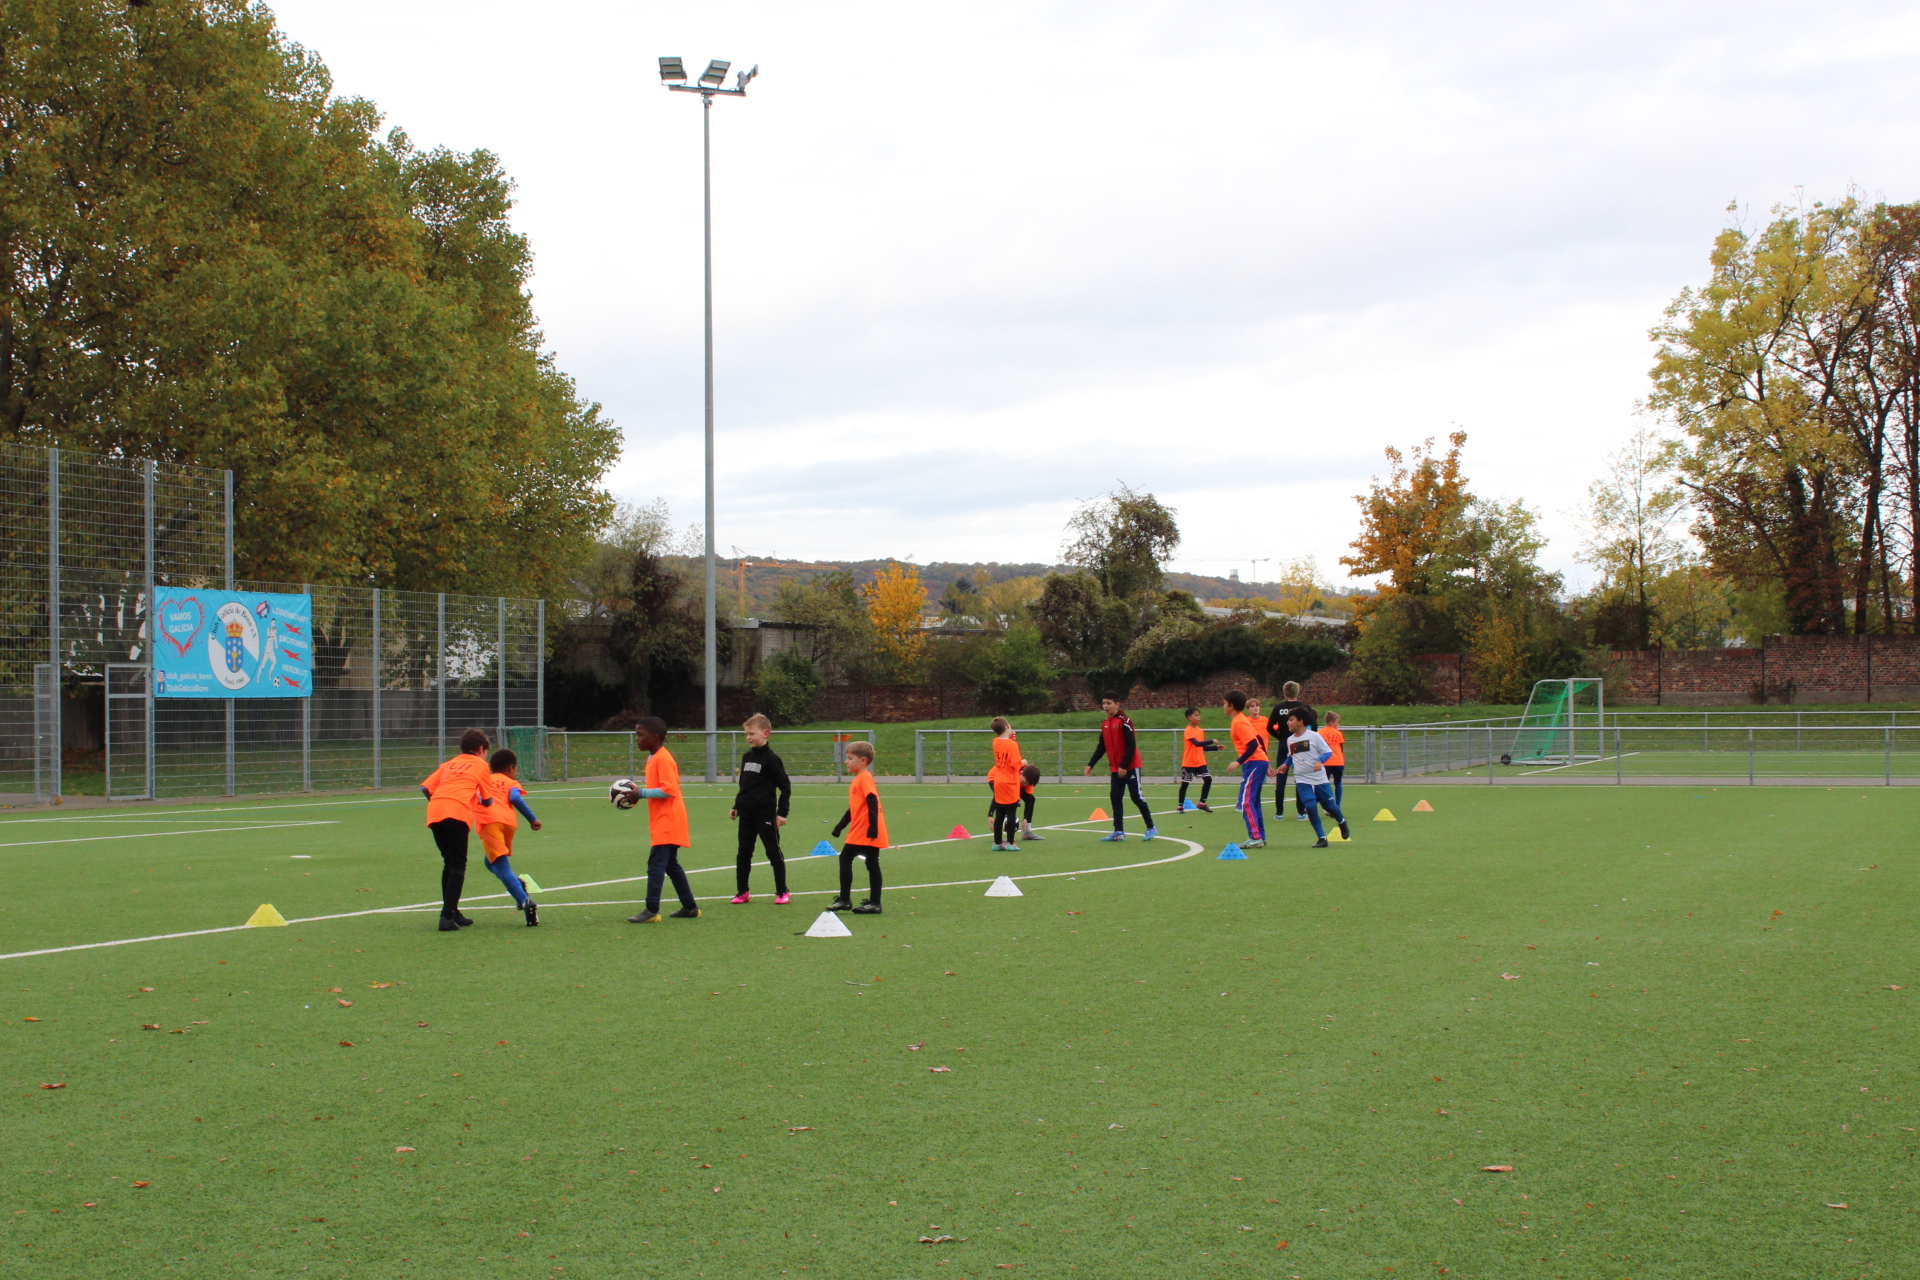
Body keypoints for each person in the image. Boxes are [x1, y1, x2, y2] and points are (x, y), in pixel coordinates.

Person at [624, 717, 700, 924]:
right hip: (663, 820)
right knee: (670, 865)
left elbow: (669, 790)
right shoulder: (653, 758)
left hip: (669, 821)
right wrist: (639, 794)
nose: (637, 739)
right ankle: (690, 907)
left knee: (656, 864)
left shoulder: (663, 758)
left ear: (655, 737)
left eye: (640, 735)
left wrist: (641, 793)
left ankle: (651, 909)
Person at [419, 728, 495, 932]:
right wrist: (483, 801)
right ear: (481, 749)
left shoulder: (449, 764)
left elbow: (426, 788)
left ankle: (453, 911)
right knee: (458, 864)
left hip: (435, 811)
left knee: (449, 861)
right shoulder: (481, 765)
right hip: (457, 812)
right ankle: (446, 916)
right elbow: (487, 799)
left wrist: (441, 801)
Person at [728, 713, 791, 904]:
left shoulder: (772, 759)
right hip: (746, 814)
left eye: (752, 734)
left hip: (765, 814)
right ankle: (742, 892)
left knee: (773, 852)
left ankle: (782, 891)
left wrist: (782, 813)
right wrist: (737, 805)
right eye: (746, 734)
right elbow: (744, 785)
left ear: (765, 733)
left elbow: (785, 787)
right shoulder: (747, 757)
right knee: (743, 853)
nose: (748, 737)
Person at [478, 748, 542, 926]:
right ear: (511, 768)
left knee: (501, 865)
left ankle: (524, 900)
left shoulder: (484, 780)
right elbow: (515, 797)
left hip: (489, 823)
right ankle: (517, 884)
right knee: (490, 862)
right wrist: (532, 819)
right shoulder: (510, 782)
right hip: (508, 824)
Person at [1083, 692, 1156, 842]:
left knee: (1136, 796)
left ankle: (1151, 827)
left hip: (1130, 766)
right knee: (1115, 797)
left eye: (1108, 703)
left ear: (1117, 704)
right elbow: (1101, 747)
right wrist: (1091, 764)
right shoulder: (1105, 724)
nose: (1105, 706)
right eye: (1103, 703)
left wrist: (1124, 765)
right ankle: (1118, 832)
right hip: (1115, 768)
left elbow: (1131, 745)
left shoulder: (1125, 721)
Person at [829, 741, 887, 914]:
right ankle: (873, 902)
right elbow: (853, 809)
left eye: (850, 758)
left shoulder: (864, 778)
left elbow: (872, 801)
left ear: (862, 761)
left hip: (865, 830)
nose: (846, 762)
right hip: (862, 829)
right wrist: (839, 827)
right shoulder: (858, 779)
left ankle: (846, 900)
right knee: (871, 863)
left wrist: (873, 827)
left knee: (846, 858)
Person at [1284, 709, 1350, 848]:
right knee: (1310, 806)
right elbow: (1291, 756)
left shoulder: (1314, 736)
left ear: (1300, 721)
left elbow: (1327, 752)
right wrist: (1285, 764)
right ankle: (1322, 838)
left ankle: (1342, 821)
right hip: (1302, 779)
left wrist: (1320, 761)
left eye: (1291, 720)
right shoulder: (1290, 740)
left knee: (1330, 807)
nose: (1288, 723)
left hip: (1319, 778)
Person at [1223, 690, 1268, 847]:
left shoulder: (1239, 722)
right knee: (1253, 801)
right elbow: (1259, 738)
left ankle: (1255, 837)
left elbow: (1254, 743)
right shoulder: (1241, 719)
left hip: (1254, 763)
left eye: (1224, 703)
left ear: (1231, 705)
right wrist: (1266, 759)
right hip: (1258, 762)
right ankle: (1260, 836)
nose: (1223, 706)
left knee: (1246, 801)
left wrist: (1238, 761)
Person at [1268, 681, 1318, 821]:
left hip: (1284, 744)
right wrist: (1305, 738)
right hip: (1299, 744)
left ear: (1285, 693)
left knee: (1281, 777)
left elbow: (1269, 727)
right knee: (1300, 777)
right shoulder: (1304, 707)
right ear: (1298, 692)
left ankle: (1279, 813)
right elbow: (1314, 725)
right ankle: (1301, 812)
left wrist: (1281, 738)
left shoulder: (1279, 707)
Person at [987, 716, 1024, 850]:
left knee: (1000, 813)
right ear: (1008, 726)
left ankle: (997, 843)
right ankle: (1010, 843)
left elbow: (1005, 749)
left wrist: (1011, 738)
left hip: (999, 781)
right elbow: (1015, 764)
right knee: (1011, 812)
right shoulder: (1012, 745)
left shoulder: (995, 741)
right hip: (1010, 783)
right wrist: (1023, 763)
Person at [1178, 706, 1219, 812]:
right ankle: (1180, 805)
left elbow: (1202, 747)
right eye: (1196, 715)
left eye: (1199, 715)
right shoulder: (1188, 730)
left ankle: (1202, 803)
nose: (1198, 717)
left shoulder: (1200, 731)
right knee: (1185, 783)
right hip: (1189, 762)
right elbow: (1196, 743)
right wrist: (1211, 740)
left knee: (1208, 779)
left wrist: (1216, 748)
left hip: (1200, 762)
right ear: (1189, 717)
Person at [1321, 711, 1347, 810]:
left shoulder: (1320, 733)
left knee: (1324, 784)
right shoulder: (1338, 733)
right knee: (1338, 783)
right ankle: (1337, 806)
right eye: (1337, 722)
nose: (1338, 724)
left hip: (1325, 761)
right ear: (1331, 722)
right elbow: (1341, 748)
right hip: (1338, 761)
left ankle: (1328, 805)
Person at [1018, 763, 1045, 841]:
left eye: (1027, 784)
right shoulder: (1015, 773)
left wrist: (1026, 818)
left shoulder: (1029, 779)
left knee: (1031, 799)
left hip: (1017, 785)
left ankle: (1027, 832)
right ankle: (999, 835)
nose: (1026, 785)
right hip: (999, 781)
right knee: (1008, 804)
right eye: (1025, 782)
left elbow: (1029, 800)